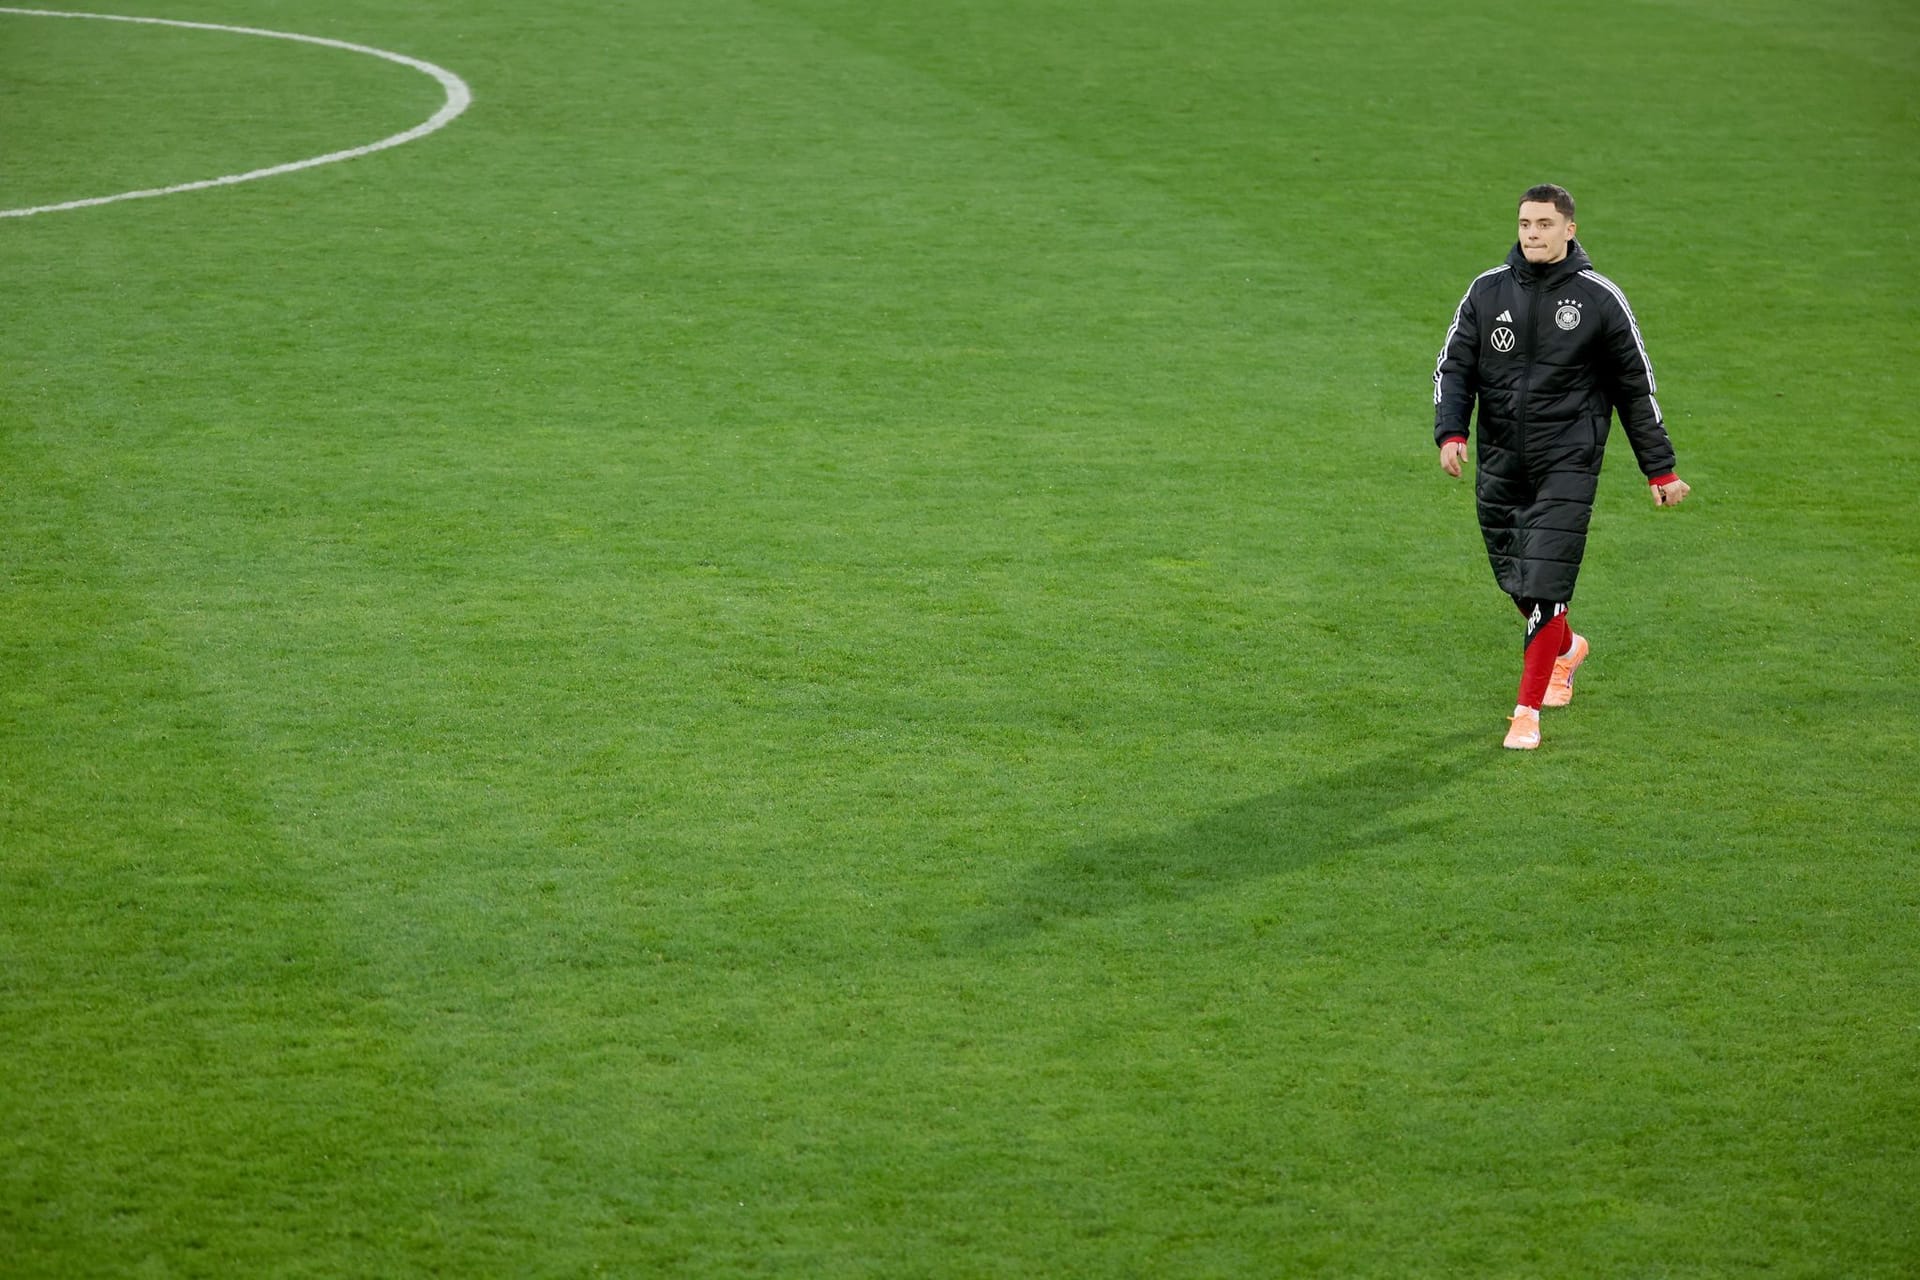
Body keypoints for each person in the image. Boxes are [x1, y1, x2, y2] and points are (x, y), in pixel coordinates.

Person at [1433, 184, 1691, 750]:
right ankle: (1568, 647)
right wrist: (1451, 431)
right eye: (1525, 223)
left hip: (1567, 463)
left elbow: (1635, 388)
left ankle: (1527, 712)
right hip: (1500, 459)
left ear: (1569, 230)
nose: (1532, 233)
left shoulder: (1599, 299)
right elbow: (1455, 368)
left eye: (1545, 224)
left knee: (1546, 581)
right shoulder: (1487, 291)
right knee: (1517, 581)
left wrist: (1661, 469)